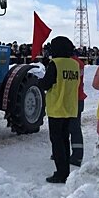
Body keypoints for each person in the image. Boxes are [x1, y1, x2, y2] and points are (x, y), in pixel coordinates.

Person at [38, 36, 80, 184]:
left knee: (57, 142)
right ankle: (65, 171)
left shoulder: (56, 64)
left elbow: (46, 84)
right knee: (64, 140)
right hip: (69, 107)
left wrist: (38, 80)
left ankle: (61, 174)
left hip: (57, 108)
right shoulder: (74, 64)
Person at [69, 51, 87, 166]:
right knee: (75, 127)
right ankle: (77, 154)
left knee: (68, 128)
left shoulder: (69, 63)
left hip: (71, 99)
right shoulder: (79, 63)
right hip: (79, 98)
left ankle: (72, 155)